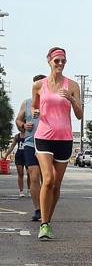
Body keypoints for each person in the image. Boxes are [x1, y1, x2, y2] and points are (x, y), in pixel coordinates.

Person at [32, 48, 84, 240]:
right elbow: (34, 106)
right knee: (48, 179)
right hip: (44, 137)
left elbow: (79, 115)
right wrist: (35, 112)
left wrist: (71, 99)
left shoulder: (73, 85)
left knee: (56, 184)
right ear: (49, 61)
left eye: (63, 61)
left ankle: (48, 220)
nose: (60, 64)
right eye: (57, 61)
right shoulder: (39, 85)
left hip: (64, 139)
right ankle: (44, 224)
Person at [16, 82, 45, 217]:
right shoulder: (27, 103)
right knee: (33, 176)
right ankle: (38, 209)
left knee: (47, 179)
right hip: (30, 144)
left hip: (46, 144)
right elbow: (18, 120)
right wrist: (23, 125)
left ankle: (46, 206)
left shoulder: (51, 103)